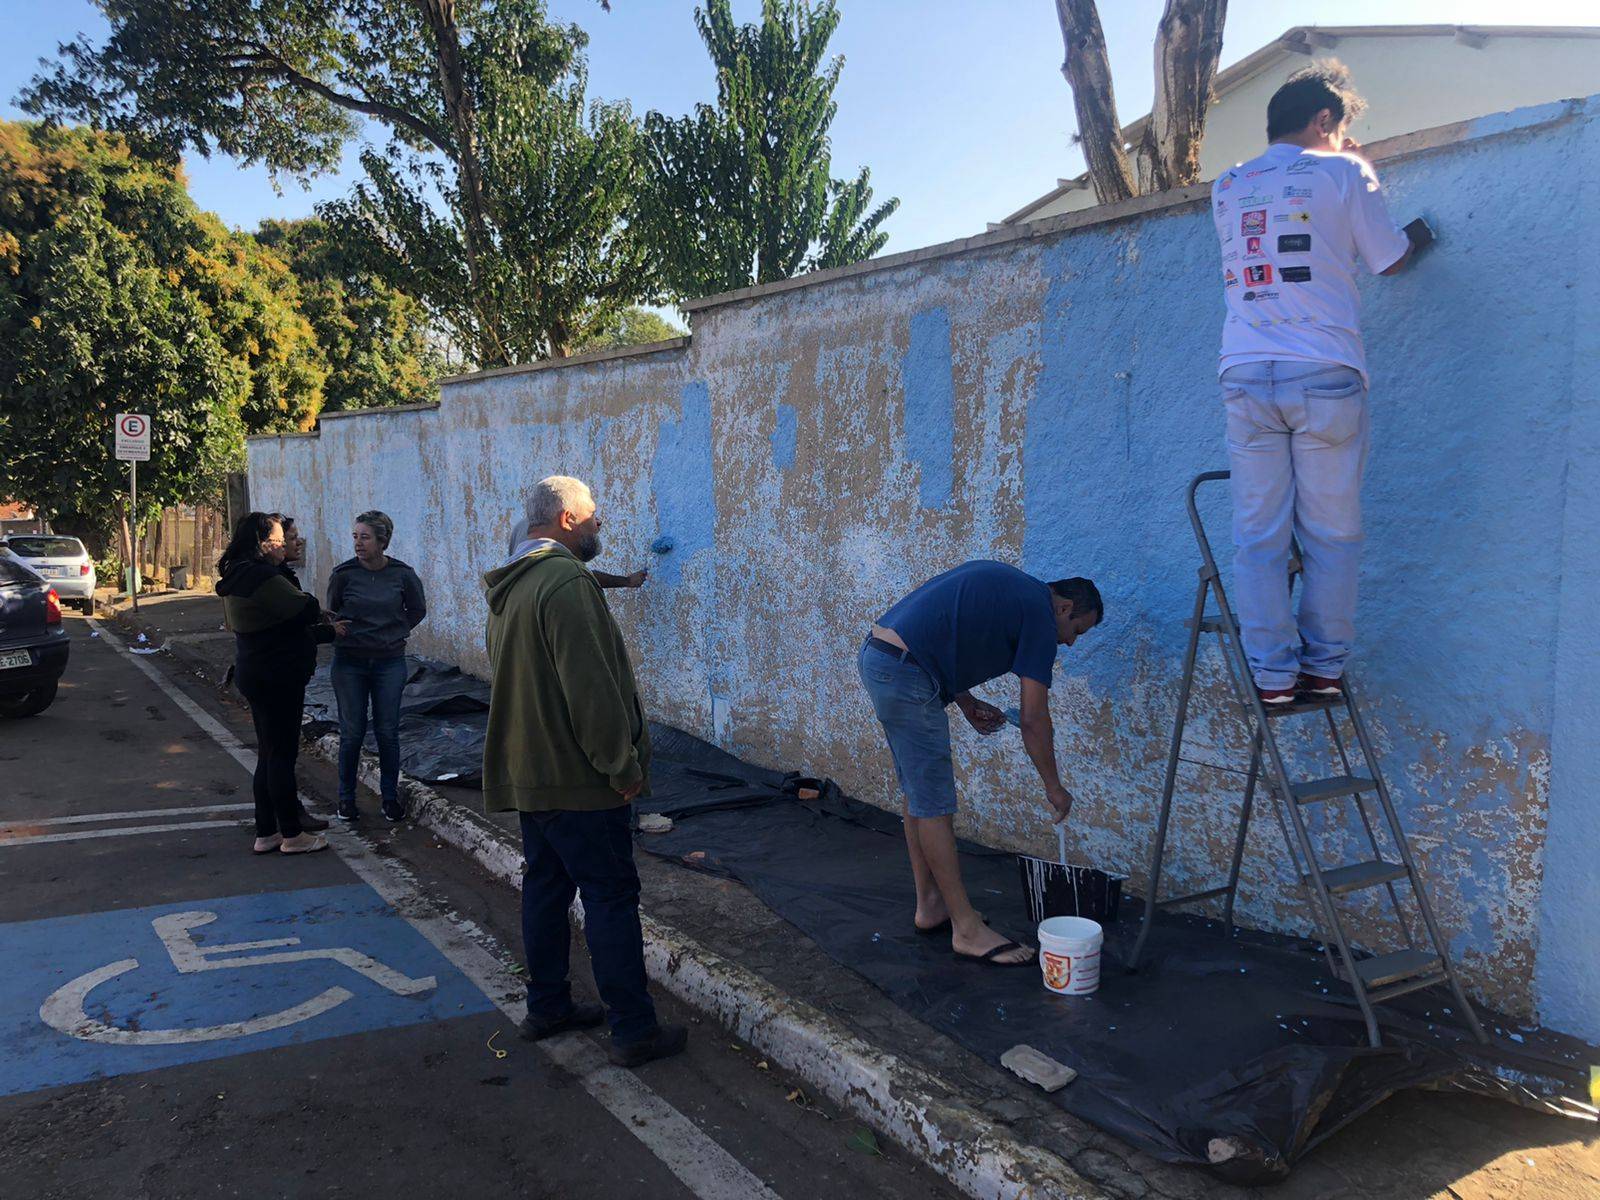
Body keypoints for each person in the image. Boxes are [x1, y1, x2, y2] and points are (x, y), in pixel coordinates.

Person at [1210, 61, 1425, 704]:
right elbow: (1388, 258)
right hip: (1324, 370)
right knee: (1332, 533)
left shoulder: (1227, 183)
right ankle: (1323, 668)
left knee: (1259, 535)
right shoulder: (1344, 170)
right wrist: (1378, 186)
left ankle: (1272, 677)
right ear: (1325, 120)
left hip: (1245, 371)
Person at [482, 475, 686, 1068]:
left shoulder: (514, 585)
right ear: (567, 519)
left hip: (533, 774)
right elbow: (591, 689)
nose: (601, 523)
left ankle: (547, 1006)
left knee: (546, 890)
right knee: (610, 898)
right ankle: (633, 1030)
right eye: (594, 514)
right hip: (578, 779)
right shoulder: (565, 581)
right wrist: (620, 767)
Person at [859, 563, 1102, 967]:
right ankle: (967, 929)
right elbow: (1033, 718)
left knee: (919, 793)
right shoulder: (1041, 617)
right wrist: (1054, 787)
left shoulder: (1019, 594)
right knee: (934, 801)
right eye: (1078, 631)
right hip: (905, 670)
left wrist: (966, 702)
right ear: (1064, 607)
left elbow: (942, 629)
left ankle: (930, 904)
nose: (1072, 644)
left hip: (887, 657)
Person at [216, 512, 331, 855]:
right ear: (262, 544)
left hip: (256, 669)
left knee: (267, 755)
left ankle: (266, 832)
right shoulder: (261, 576)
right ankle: (293, 835)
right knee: (281, 755)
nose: (285, 546)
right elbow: (304, 608)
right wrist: (314, 608)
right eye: (280, 541)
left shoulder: (237, 574)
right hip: (277, 673)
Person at [325, 510, 426, 823]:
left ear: (383, 541)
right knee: (352, 733)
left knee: (387, 731)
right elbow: (332, 612)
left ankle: (390, 798)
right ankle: (346, 799)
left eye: (365, 537)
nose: (358, 543)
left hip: (389, 662)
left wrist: (394, 631)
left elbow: (417, 609)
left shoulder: (403, 574)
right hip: (349, 662)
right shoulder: (343, 574)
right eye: (355, 536)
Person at [268, 512, 340, 833]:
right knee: (280, 754)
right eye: (290, 537)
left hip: (279, 671)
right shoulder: (275, 581)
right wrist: (330, 631)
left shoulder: (276, 577)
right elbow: (291, 630)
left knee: (274, 754)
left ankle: (270, 824)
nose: (297, 542)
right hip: (281, 674)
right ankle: (289, 825)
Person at [506, 514, 648, 589]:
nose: (598, 522)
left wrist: (627, 581)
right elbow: (576, 576)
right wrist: (627, 581)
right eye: (590, 515)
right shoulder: (548, 535)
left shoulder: (530, 527)